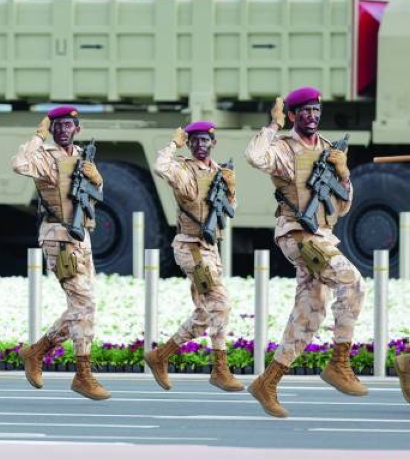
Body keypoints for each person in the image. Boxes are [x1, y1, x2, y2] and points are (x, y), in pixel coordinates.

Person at [245, 87, 365, 417]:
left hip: (323, 236)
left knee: (311, 310)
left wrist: (343, 173)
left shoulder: (329, 150)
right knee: (352, 282)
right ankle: (339, 363)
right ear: (294, 116)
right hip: (298, 236)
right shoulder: (284, 149)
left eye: (316, 110)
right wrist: (273, 125)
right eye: (305, 111)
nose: (312, 115)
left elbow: (342, 206)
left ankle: (267, 382)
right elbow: (255, 157)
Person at [12, 106, 111, 400]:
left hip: (81, 237)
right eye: (58, 125)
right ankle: (80, 373)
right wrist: (37, 136)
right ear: (51, 128)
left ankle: (39, 353)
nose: (64, 129)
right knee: (84, 305)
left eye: (69, 125)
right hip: (58, 236)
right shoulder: (43, 156)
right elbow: (18, 164)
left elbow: (96, 193)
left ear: (76, 129)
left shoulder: (81, 156)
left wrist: (97, 179)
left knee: (85, 307)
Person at [145, 121, 243, 392]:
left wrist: (231, 189)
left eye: (205, 140)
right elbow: (160, 166)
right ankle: (220, 368)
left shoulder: (219, 172)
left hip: (211, 248)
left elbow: (229, 209)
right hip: (191, 248)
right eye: (195, 141)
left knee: (205, 310)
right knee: (220, 303)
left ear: (214, 143)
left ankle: (160, 356)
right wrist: (173, 144)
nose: (200, 145)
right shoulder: (183, 168)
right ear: (189, 144)